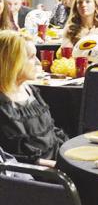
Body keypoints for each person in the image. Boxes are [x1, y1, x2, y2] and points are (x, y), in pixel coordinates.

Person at [0, 30, 68, 166]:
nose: (38, 62)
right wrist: (63, 167)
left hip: (56, 161)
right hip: (33, 177)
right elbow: (13, 159)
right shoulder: (3, 105)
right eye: (31, 57)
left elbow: (50, 131)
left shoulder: (30, 90)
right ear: (13, 62)